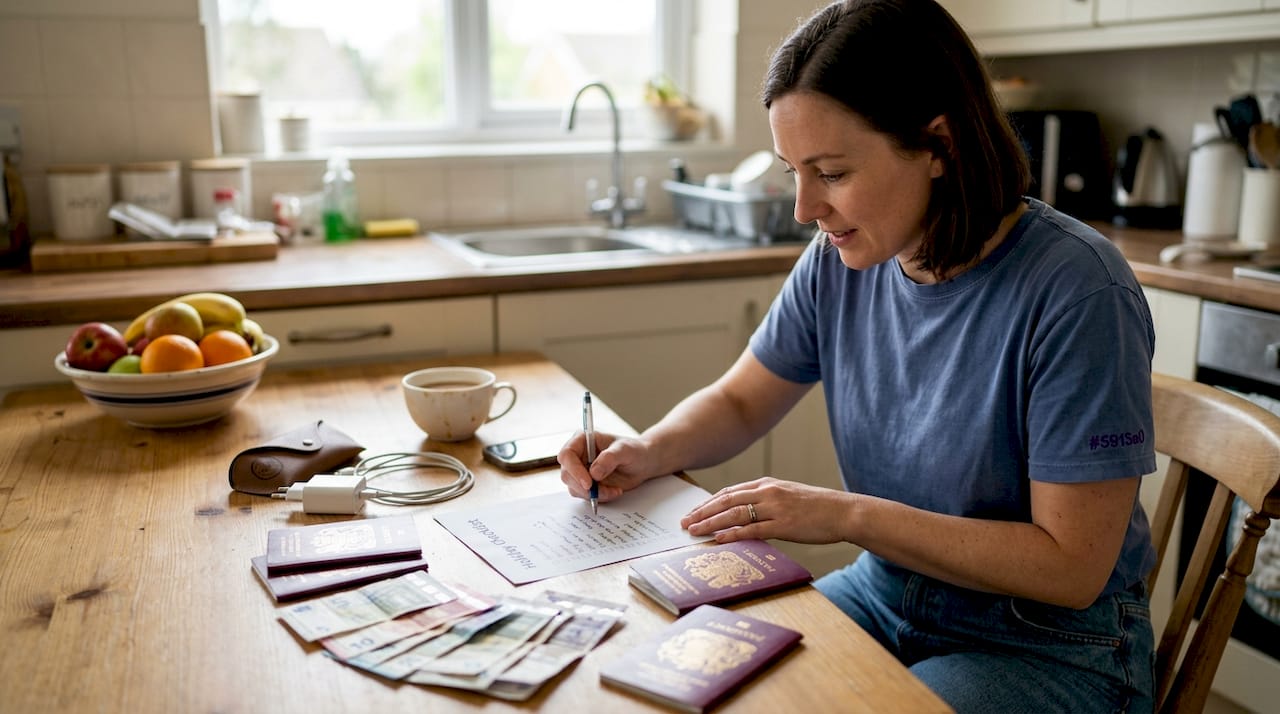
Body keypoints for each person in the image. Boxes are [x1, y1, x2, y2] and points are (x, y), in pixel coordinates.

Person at [559, 0, 1157, 711]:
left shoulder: (1079, 289)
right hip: (887, 593)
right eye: (793, 172)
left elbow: (1072, 566)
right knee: (700, 678)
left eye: (832, 173)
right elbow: (743, 398)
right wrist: (648, 449)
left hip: (1049, 644)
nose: (804, 208)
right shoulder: (840, 257)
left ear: (939, 145)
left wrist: (845, 517)